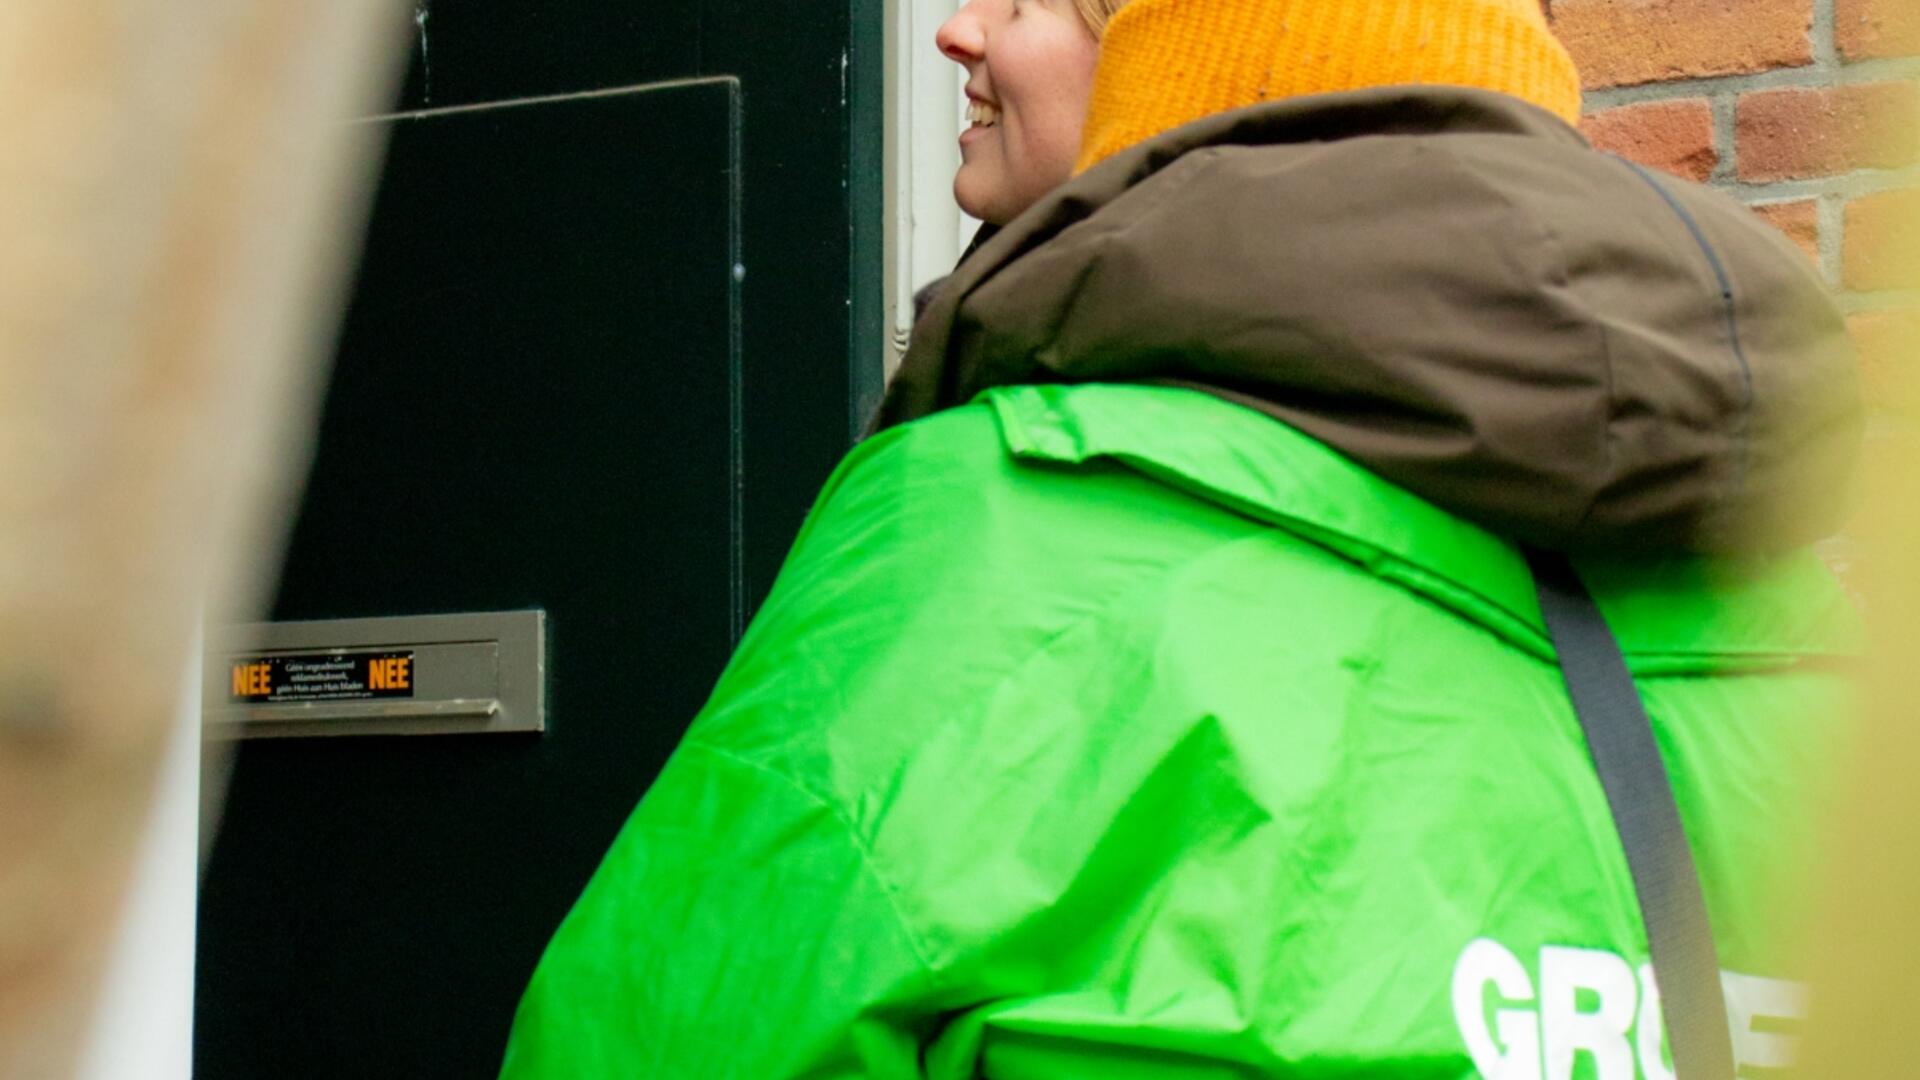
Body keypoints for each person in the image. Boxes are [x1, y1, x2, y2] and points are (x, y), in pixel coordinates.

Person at [499, 0, 1862, 1075]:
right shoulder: (1822, 634)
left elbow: (680, 1024)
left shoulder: (993, 534)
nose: (959, 33)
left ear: (1169, 88)